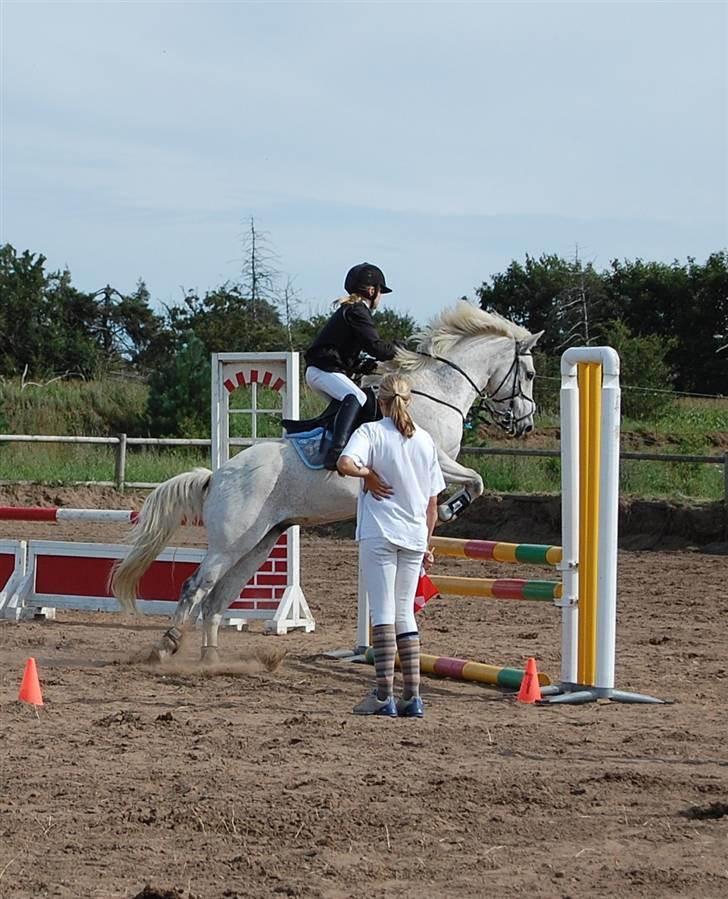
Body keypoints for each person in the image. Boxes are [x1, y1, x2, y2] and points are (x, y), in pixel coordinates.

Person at [337, 373, 445, 718]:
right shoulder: (425, 441)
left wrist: (367, 474)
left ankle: (384, 695)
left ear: (380, 402)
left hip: (380, 531)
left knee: (382, 613)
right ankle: (412, 697)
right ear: (408, 401)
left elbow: (344, 463)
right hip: (414, 535)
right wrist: (426, 544)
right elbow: (432, 506)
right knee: (404, 614)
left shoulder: (369, 432)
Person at [304, 262, 399, 470]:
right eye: (381, 291)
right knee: (357, 397)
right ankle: (336, 454)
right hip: (322, 371)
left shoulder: (352, 309)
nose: (381, 297)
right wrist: (400, 350)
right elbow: (376, 347)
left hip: (324, 369)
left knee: (362, 400)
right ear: (372, 290)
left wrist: (359, 365)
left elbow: (344, 349)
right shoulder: (357, 310)